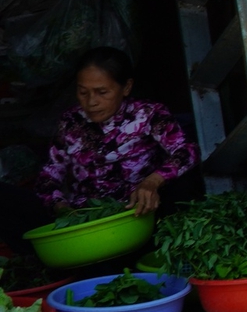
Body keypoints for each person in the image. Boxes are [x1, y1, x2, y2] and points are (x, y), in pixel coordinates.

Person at [0, 47, 198, 256]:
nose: (91, 102)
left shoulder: (148, 114)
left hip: (138, 216)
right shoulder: (71, 122)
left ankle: (169, 250)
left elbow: (187, 151)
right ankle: (43, 266)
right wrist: (63, 208)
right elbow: (49, 177)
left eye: (102, 92)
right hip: (83, 223)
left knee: (183, 183)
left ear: (126, 87)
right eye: (83, 92)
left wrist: (153, 182)